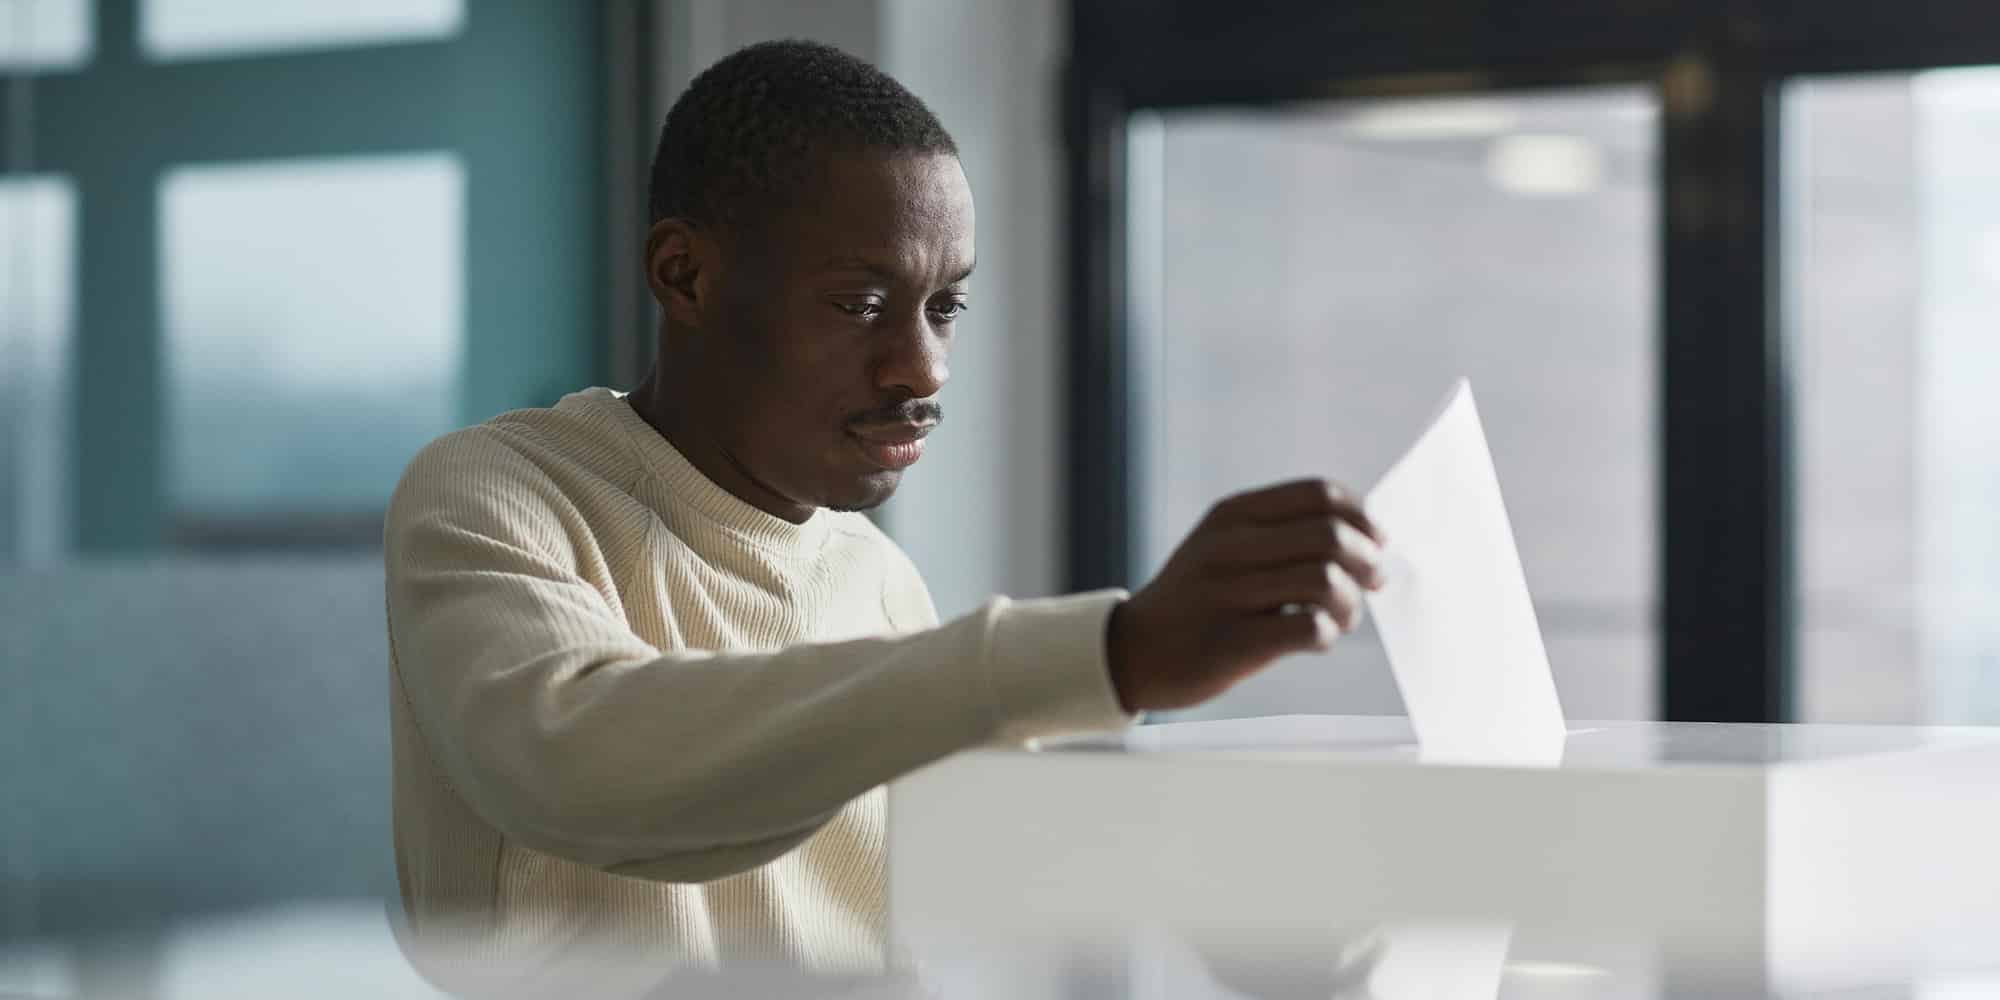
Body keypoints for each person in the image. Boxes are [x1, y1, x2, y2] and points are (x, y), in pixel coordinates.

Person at [383, 39, 1386, 991]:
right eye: (859, 304)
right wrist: (1113, 648)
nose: (923, 368)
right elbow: (582, 763)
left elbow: (1006, 894)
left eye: (943, 305)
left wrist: (1248, 922)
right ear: (683, 274)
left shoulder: (874, 578)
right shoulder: (499, 491)